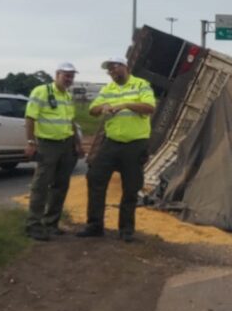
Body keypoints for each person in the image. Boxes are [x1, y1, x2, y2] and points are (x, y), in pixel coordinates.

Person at [77, 57, 156, 242]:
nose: (111, 72)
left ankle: (126, 229)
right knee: (95, 177)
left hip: (135, 143)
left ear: (124, 67)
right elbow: (92, 110)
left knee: (131, 186)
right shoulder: (108, 88)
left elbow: (149, 107)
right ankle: (95, 225)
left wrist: (126, 104)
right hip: (112, 142)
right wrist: (102, 107)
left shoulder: (141, 85)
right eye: (109, 70)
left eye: (114, 67)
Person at [24, 62, 84, 241]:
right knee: (41, 185)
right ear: (57, 74)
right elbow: (30, 117)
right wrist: (30, 142)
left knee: (60, 186)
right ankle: (33, 225)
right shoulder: (41, 91)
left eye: (72, 76)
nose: (69, 79)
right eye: (66, 75)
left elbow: (70, 121)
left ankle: (51, 223)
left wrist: (78, 144)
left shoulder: (67, 95)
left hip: (66, 145)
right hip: (48, 145)